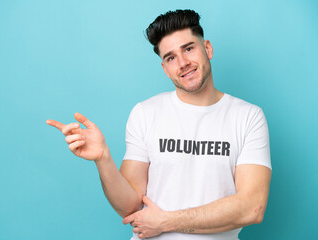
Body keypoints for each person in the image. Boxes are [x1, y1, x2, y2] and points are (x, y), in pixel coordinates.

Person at [46, 9, 272, 240]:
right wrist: (103, 158)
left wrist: (165, 221)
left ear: (208, 49)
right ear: (165, 69)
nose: (183, 63)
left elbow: (252, 207)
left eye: (189, 48)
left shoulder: (248, 117)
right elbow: (129, 206)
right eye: (171, 57)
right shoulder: (146, 113)